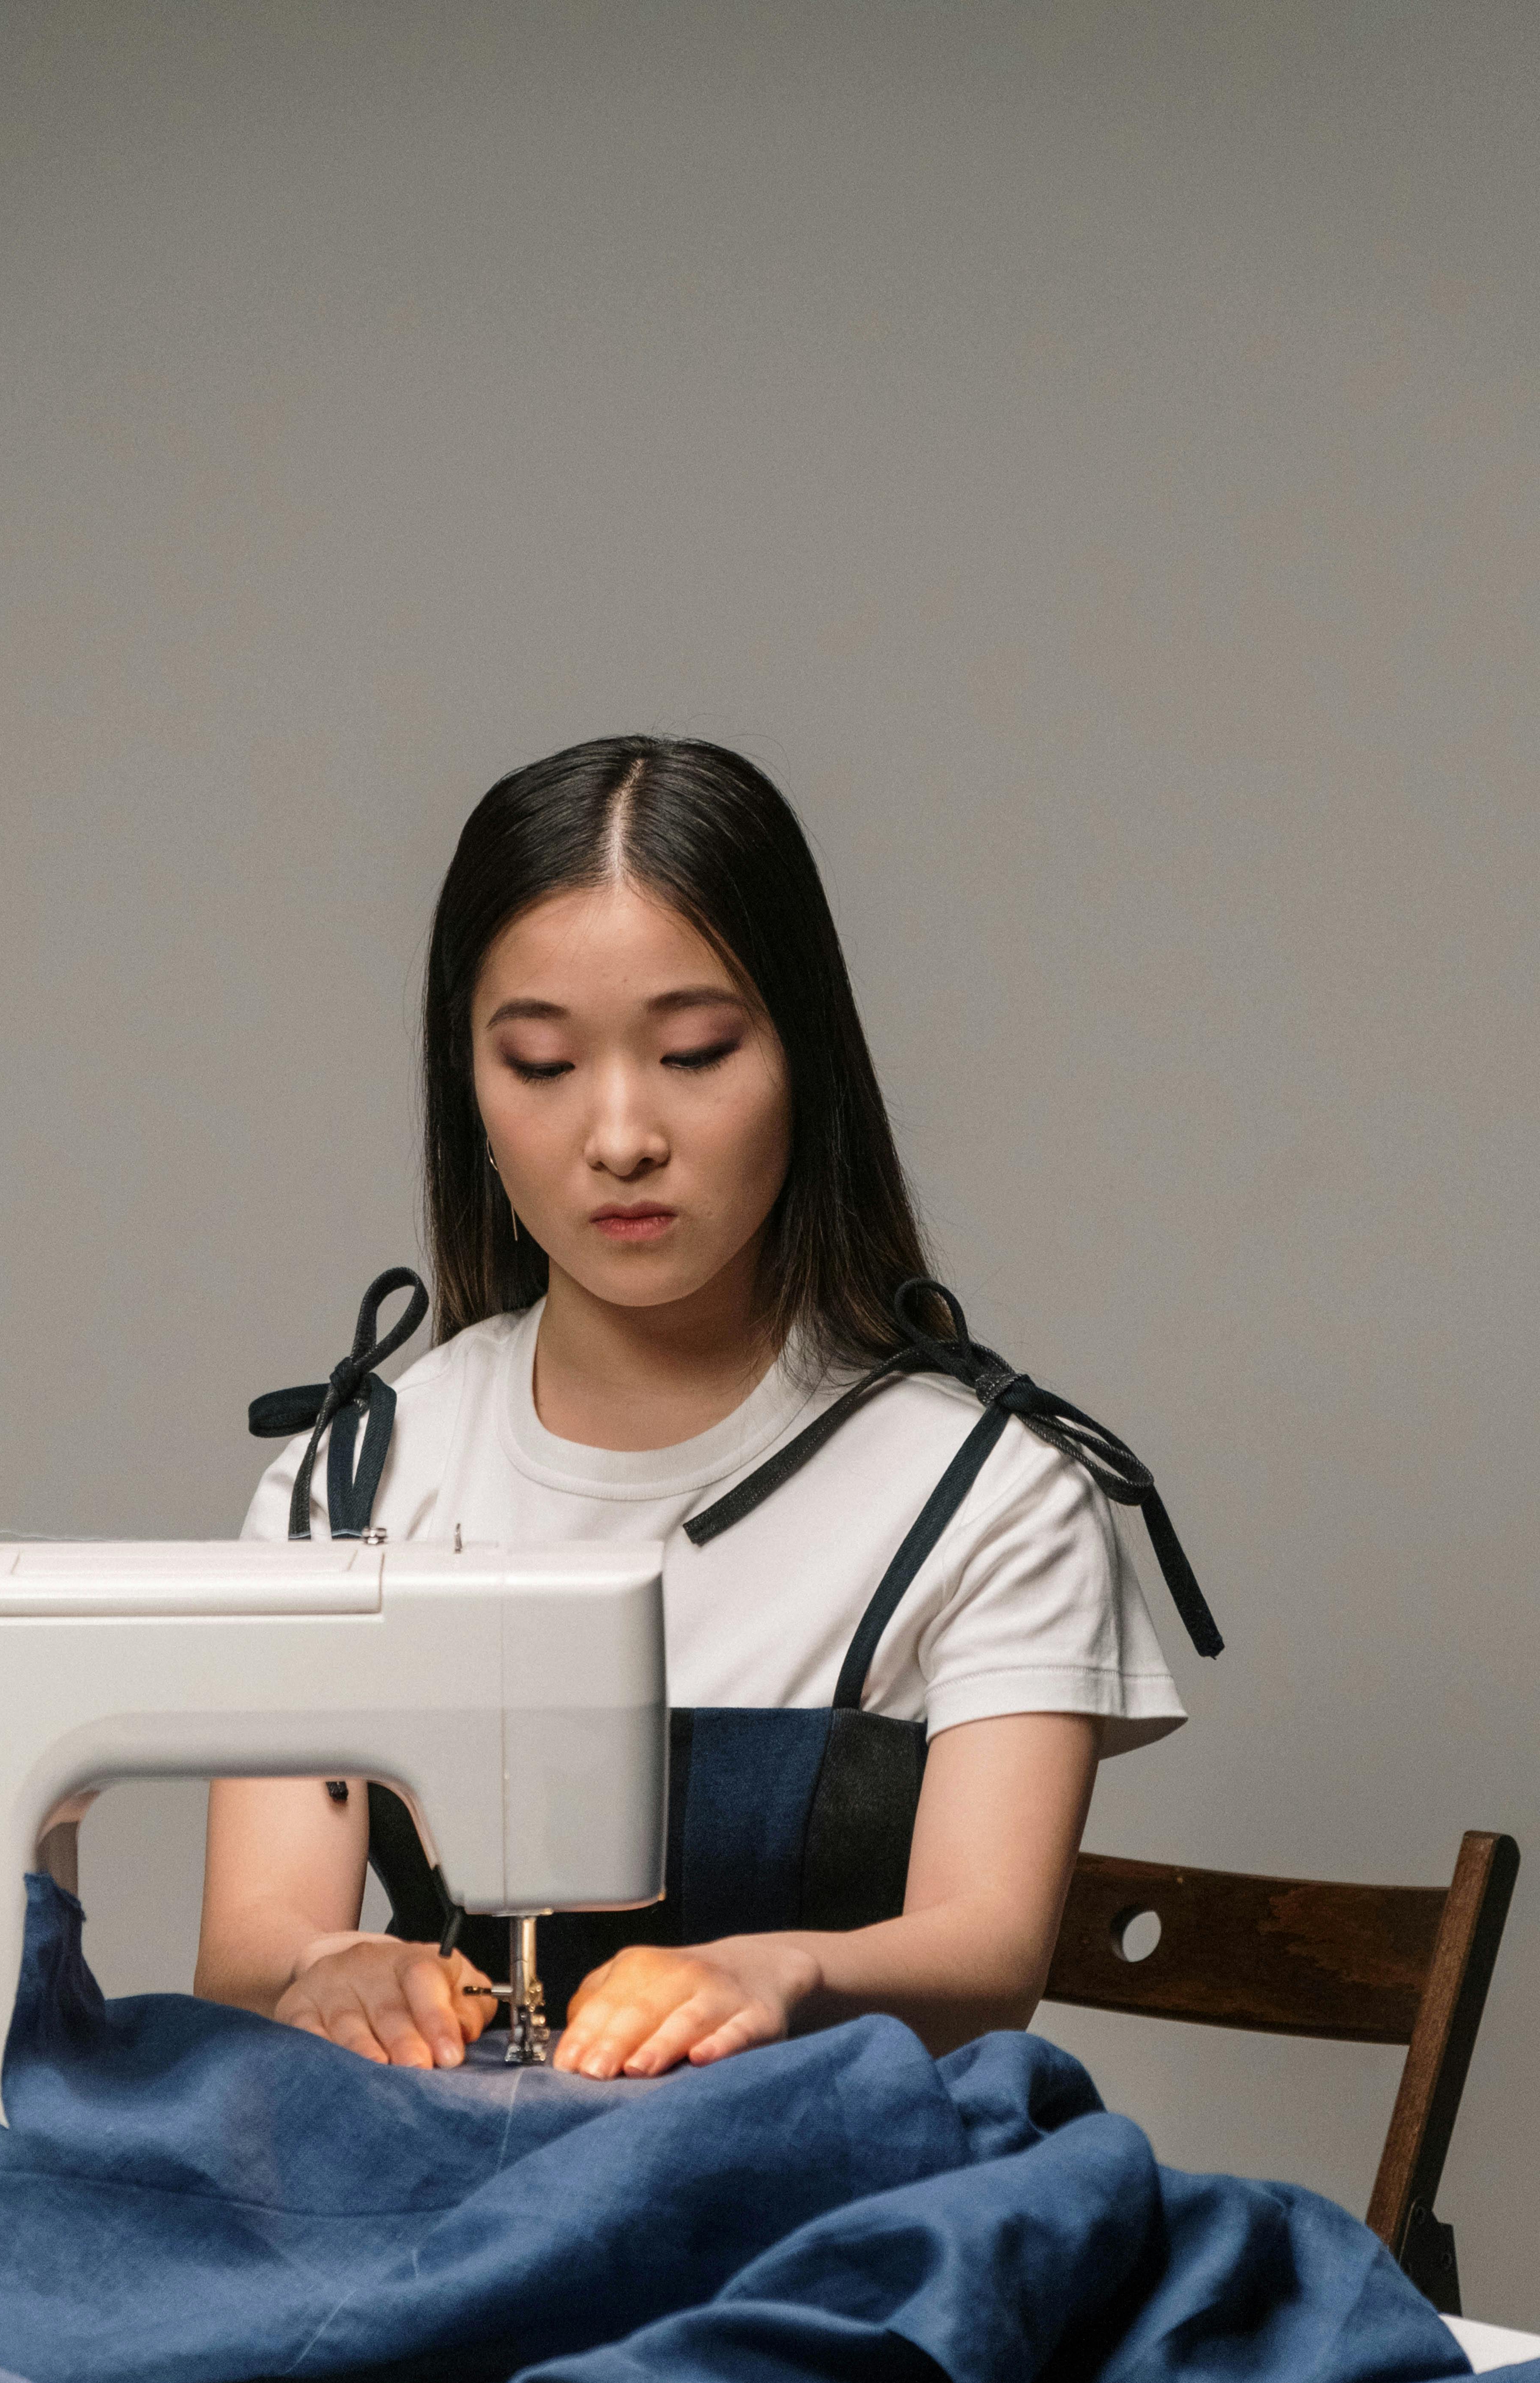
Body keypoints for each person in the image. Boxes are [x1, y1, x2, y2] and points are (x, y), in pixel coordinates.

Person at [195, 735, 1197, 2081]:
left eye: (695, 1052)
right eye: (543, 1066)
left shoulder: (989, 1497)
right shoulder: (360, 1487)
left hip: (835, 2207)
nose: (620, 1136)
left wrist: (781, 1971)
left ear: (804, 1061)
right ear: (471, 1091)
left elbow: (990, 1953)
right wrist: (334, 1969)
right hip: (440, 2191)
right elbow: (252, 1947)